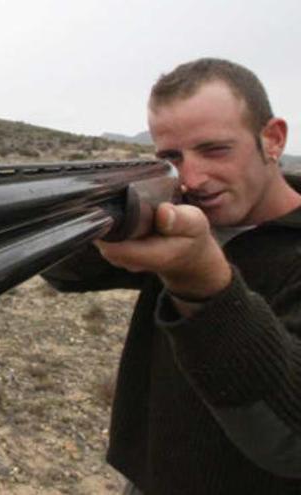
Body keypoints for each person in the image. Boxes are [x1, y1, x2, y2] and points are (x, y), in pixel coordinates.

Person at [44, 58, 301, 493]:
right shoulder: (184, 212)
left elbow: (291, 441)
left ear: (272, 139)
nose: (194, 177)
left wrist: (202, 282)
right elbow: (64, 274)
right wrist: (109, 215)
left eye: (215, 149)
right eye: (171, 157)